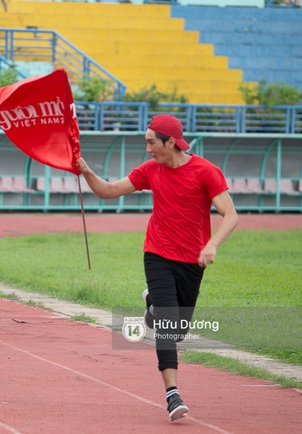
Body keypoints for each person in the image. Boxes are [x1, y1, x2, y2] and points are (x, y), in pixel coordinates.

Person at [77, 114, 238, 421]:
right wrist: (86, 171)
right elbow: (109, 191)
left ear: (171, 142)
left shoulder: (206, 171)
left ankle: (151, 301)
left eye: (151, 142)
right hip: (158, 254)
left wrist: (212, 244)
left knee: (178, 329)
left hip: (193, 261)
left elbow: (229, 215)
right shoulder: (150, 170)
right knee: (167, 324)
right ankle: (172, 394)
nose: (148, 149)